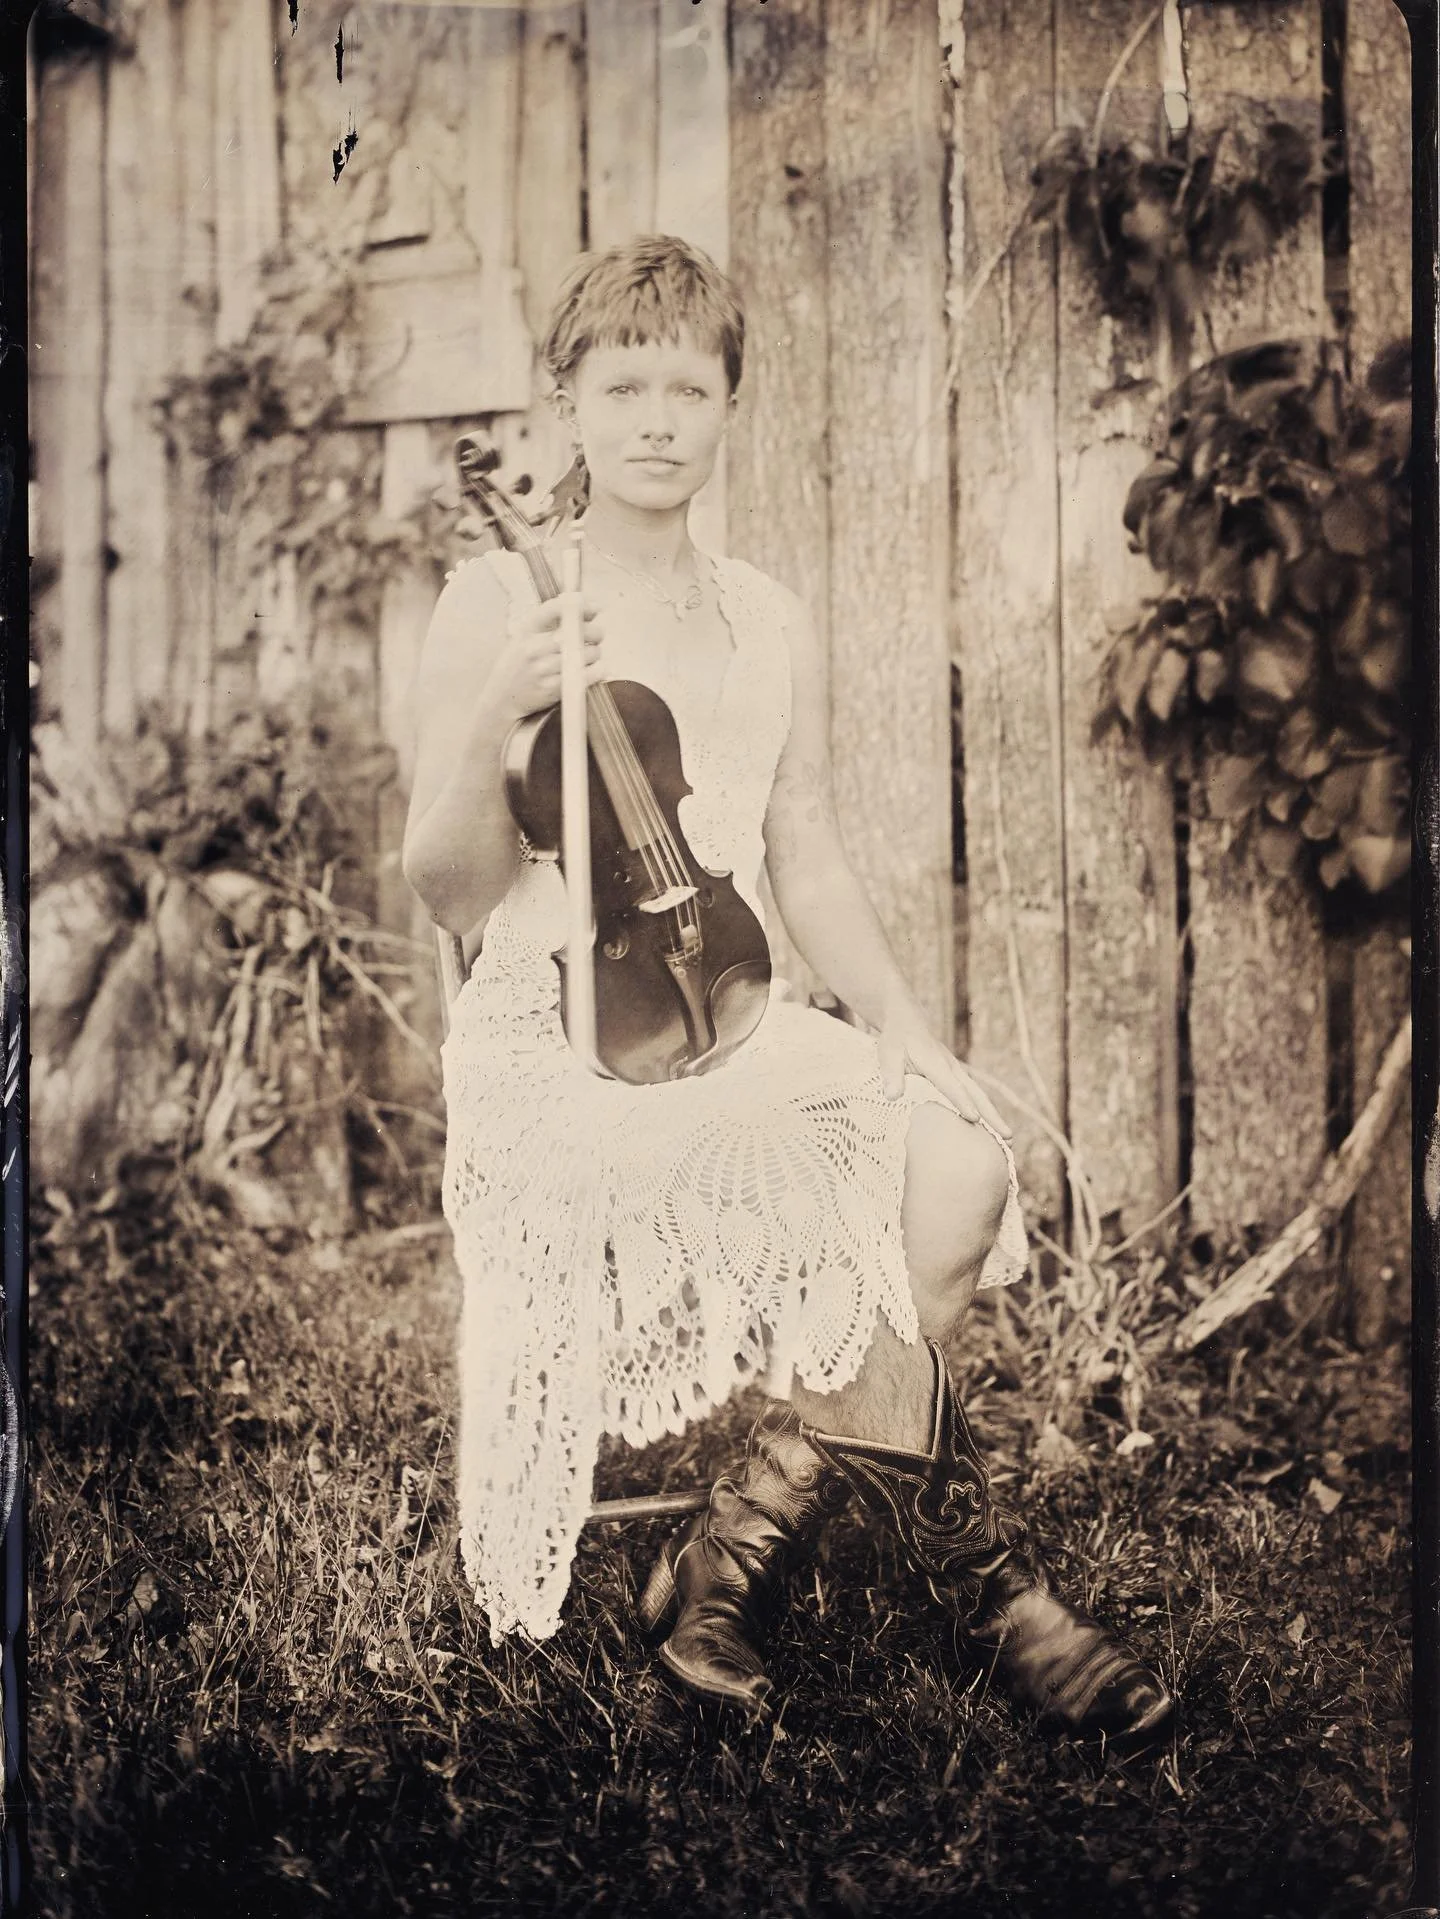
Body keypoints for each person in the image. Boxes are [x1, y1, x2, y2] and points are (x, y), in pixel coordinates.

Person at [402, 235, 1173, 1748]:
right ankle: (982, 1586)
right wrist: (505, 698)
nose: (656, 419)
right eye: (623, 384)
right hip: (557, 1045)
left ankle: (725, 1540)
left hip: (726, 1010)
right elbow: (448, 889)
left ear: (729, 404)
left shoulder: (766, 613)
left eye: (690, 386)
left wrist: (902, 1027)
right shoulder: (496, 597)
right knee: (891, 1182)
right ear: (567, 403)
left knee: (959, 1163)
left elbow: (803, 849)